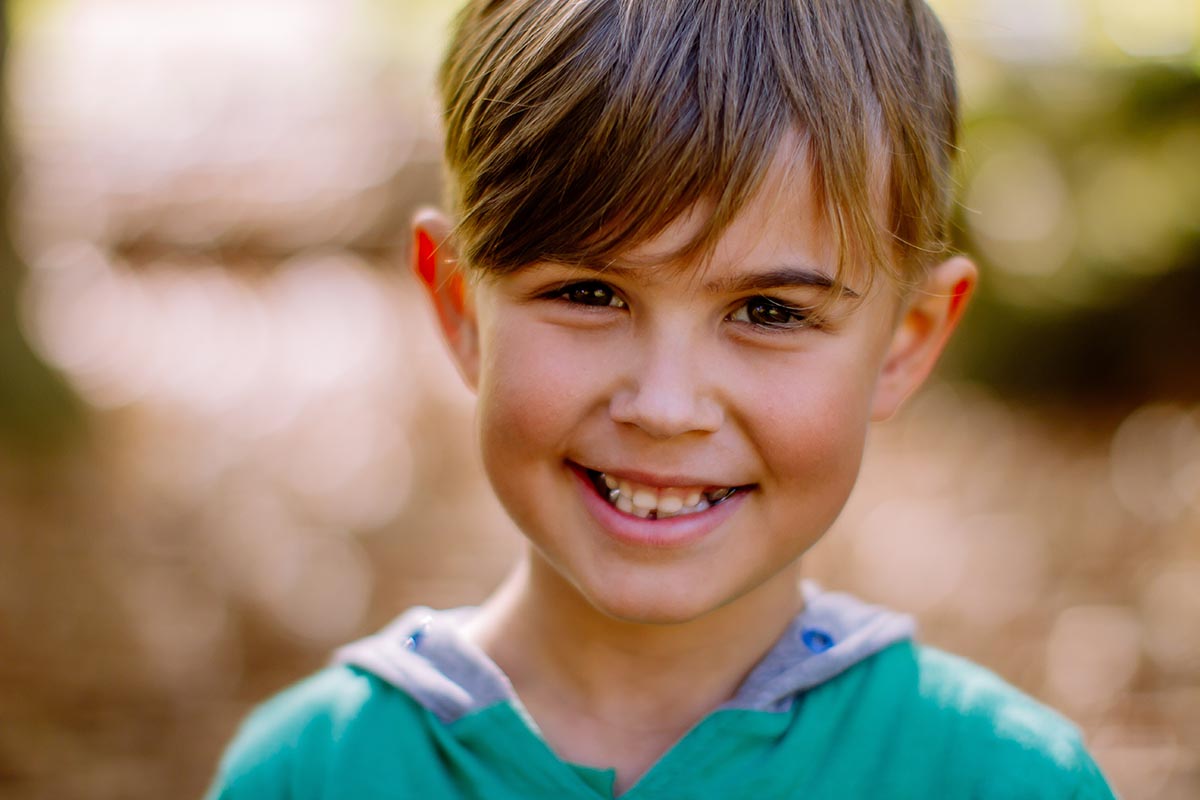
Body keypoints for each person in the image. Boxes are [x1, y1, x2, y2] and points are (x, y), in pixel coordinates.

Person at [206, 0, 1117, 797]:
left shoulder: (1004, 780)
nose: (666, 405)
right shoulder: (307, 774)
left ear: (905, 343)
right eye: (589, 293)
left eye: (769, 311)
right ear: (460, 308)